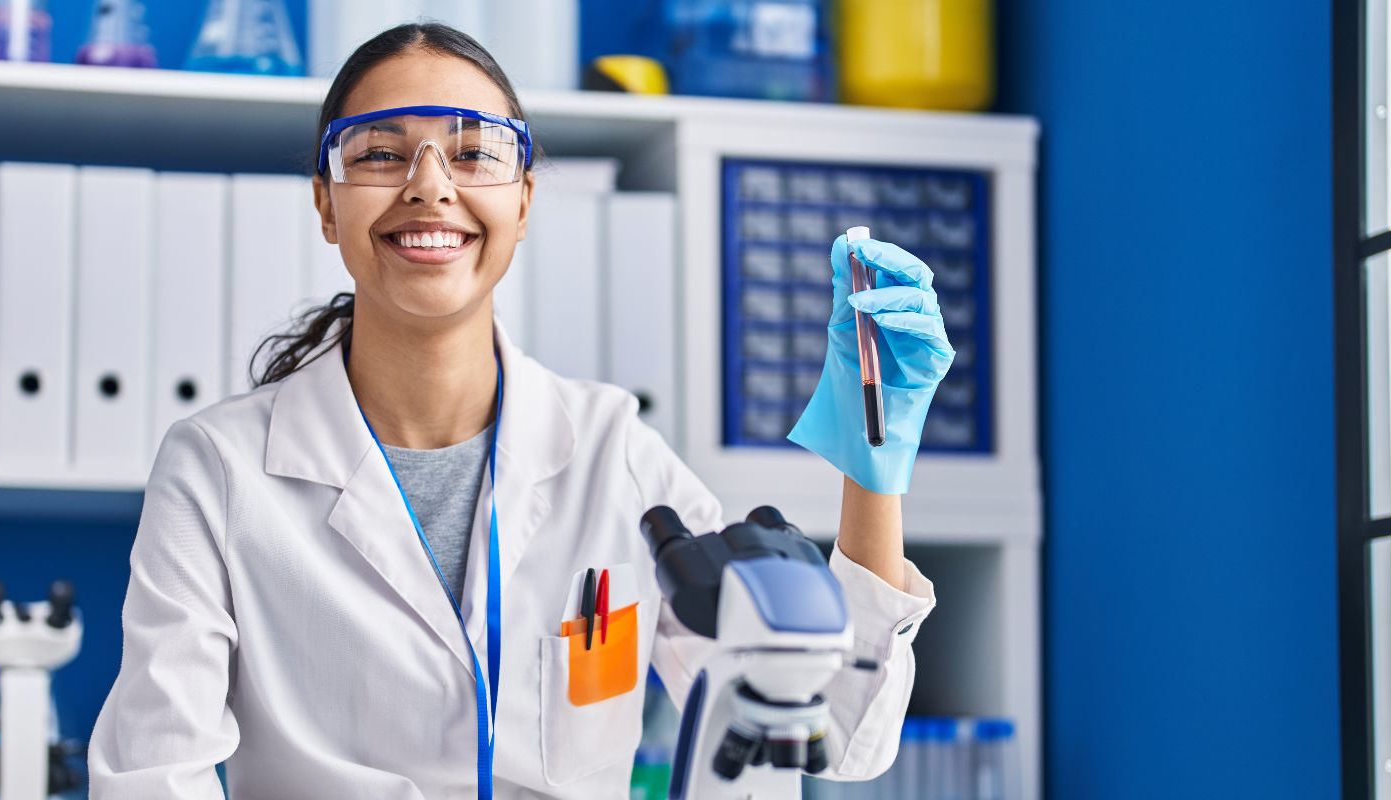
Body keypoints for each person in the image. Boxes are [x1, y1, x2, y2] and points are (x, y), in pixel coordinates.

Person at [88, 21, 952, 799]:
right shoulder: (218, 468)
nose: (430, 188)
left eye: (472, 154)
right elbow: (151, 777)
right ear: (326, 203)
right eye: (382, 154)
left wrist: (873, 469)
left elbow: (830, 735)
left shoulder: (614, 452)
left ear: (526, 200)